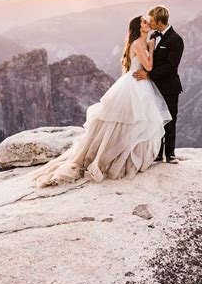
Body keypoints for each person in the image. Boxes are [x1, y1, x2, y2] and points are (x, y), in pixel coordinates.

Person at [30, 15, 172, 187]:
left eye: (149, 21)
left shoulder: (138, 42)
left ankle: (130, 155)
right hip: (135, 83)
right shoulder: (137, 43)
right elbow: (148, 67)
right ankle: (117, 159)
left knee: (134, 121)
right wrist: (151, 46)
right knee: (129, 121)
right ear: (138, 26)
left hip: (137, 83)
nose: (149, 23)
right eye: (144, 22)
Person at [132, 5, 184, 163]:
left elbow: (171, 66)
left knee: (169, 119)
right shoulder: (153, 35)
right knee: (154, 119)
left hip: (168, 87)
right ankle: (156, 153)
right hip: (152, 87)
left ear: (160, 21)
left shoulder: (176, 40)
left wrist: (148, 75)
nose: (150, 22)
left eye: (152, 20)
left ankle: (170, 154)